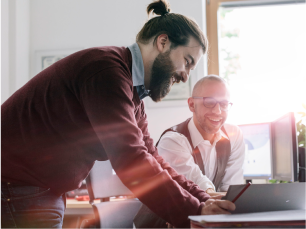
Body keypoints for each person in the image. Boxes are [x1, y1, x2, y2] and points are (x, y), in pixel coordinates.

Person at [0, 1, 235, 228]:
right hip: (18, 185)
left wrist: (203, 199)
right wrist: (193, 211)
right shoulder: (107, 72)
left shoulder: (130, 91)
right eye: (187, 61)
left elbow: (152, 157)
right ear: (163, 42)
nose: (185, 76)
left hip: (34, 187)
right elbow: (131, 159)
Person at [134, 75, 244, 228]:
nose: (218, 111)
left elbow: (232, 190)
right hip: (160, 224)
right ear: (192, 105)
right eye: (209, 102)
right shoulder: (173, 140)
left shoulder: (234, 135)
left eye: (224, 104)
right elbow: (198, 188)